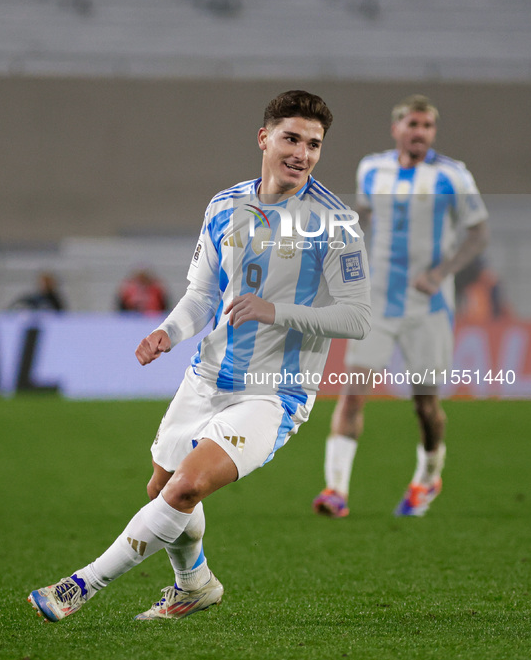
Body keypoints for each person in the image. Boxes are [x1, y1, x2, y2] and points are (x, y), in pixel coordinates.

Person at [27, 89, 371, 623]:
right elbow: (203, 295)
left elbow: (357, 317)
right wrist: (168, 331)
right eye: (291, 138)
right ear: (264, 138)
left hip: (273, 392)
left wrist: (274, 311)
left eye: (314, 144)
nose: (302, 153)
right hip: (208, 374)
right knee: (163, 488)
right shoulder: (224, 205)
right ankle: (194, 585)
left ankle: (80, 586)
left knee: (186, 486)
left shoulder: (335, 223)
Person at [313, 94, 489, 519]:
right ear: (396, 129)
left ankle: (428, 477)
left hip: (428, 307)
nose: (419, 133)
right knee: (353, 393)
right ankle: (335, 491)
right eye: (412, 125)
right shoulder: (373, 169)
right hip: (376, 303)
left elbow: (478, 232)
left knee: (425, 404)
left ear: (433, 132)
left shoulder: (453, 176)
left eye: (427, 127)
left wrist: (442, 271)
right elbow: (362, 220)